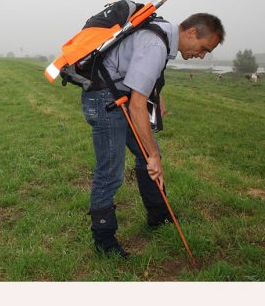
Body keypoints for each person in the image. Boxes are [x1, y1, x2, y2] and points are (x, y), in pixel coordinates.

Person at [81, 13, 225, 258]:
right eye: (203, 49)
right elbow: (138, 106)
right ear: (191, 33)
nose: (201, 56)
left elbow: (141, 77)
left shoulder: (162, 35)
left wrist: (157, 97)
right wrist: (154, 155)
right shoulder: (155, 44)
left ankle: (158, 215)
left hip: (118, 96)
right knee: (111, 172)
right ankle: (104, 242)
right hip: (106, 100)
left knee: (144, 152)